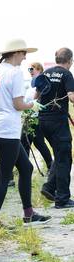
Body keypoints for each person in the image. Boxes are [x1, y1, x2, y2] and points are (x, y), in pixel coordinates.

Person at [0, 39, 51, 225]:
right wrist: (32, 105)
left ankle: (29, 213)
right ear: (15, 53)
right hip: (7, 131)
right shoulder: (15, 73)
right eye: (23, 53)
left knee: (26, 168)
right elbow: (18, 104)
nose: (25, 57)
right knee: (3, 177)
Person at [37, 48, 74, 209]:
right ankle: (62, 199)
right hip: (58, 122)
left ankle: (49, 187)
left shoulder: (45, 73)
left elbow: (35, 96)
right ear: (70, 60)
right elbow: (72, 97)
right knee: (64, 157)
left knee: (60, 156)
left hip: (43, 121)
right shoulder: (66, 74)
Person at [21, 62, 53, 172]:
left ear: (39, 69)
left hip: (35, 118)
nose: (30, 71)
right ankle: (50, 165)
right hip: (29, 117)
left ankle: (25, 167)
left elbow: (37, 100)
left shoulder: (41, 82)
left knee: (27, 143)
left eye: (32, 69)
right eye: (29, 69)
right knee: (36, 143)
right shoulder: (33, 83)